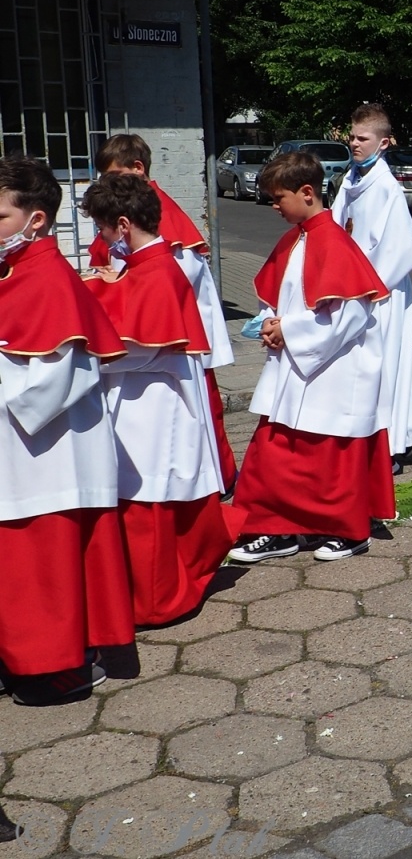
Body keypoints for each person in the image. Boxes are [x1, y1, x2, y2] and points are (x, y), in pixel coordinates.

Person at [0, 157, 133, 704]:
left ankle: (54, 668)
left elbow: (64, 374)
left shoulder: (50, 276)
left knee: (42, 562)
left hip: (42, 455)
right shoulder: (15, 271)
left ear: (34, 221)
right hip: (19, 451)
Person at [80, 175, 239, 625]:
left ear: (124, 225)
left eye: (103, 229)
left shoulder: (160, 269)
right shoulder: (145, 263)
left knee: (150, 500)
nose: (101, 239)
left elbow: (140, 346)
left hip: (154, 405)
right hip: (140, 397)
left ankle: (158, 602)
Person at [229, 152, 393, 564]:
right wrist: (270, 321)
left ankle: (350, 532)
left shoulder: (334, 241)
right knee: (276, 450)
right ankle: (279, 528)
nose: (273, 206)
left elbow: (351, 315)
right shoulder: (297, 237)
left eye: (278, 197)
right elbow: (284, 294)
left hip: (333, 369)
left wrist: (291, 331)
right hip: (297, 365)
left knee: (330, 457)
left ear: (306, 192)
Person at [92, 134, 237, 492]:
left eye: (113, 175)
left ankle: (219, 483)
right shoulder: (122, 212)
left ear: (138, 169)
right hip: (142, 336)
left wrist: (117, 280)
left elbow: (171, 283)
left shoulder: (162, 217)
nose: (106, 184)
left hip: (174, 338)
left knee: (197, 422)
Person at [331, 103, 412, 475]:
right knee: (382, 366)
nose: (354, 144)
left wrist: (367, 283)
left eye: (362, 138)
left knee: (386, 365)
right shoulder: (351, 180)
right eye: (352, 136)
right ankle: (406, 431)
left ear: (383, 143)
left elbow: (404, 250)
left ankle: (391, 445)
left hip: (383, 293)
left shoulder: (387, 189)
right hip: (355, 290)